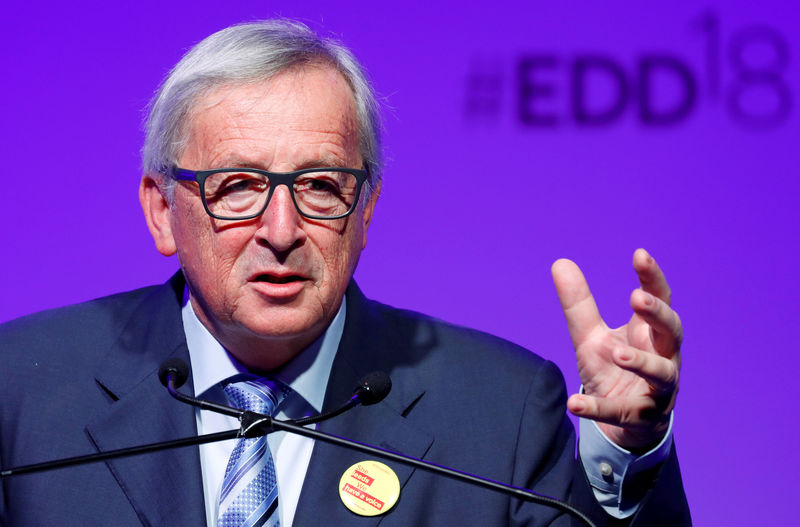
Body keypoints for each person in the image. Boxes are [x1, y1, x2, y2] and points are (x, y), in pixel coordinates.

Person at [0, 20, 689, 526]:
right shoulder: (20, 391)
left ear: (366, 211)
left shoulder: (502, 414)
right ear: (161, 212)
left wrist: (632, 453)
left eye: (321, 187)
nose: (280, 231)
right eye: (237, 186)